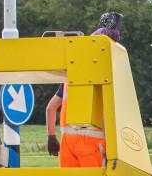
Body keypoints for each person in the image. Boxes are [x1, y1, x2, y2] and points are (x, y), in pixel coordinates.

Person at [45, 12, 124, 167]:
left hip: (68, 142)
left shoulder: (69, 79)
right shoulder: (105, 76)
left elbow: (50, 108)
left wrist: (51, 137)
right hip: (93, 142)